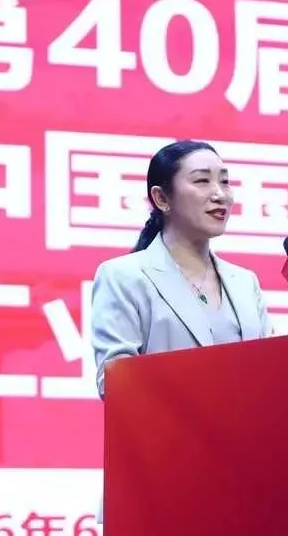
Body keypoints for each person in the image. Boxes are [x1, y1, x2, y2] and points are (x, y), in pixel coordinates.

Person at [90, 139, 273, 399]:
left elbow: (271, 372)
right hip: (163, 426)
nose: (220, 194)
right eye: (202, 181)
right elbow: (115, 384)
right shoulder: (124, 276)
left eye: (224, 181)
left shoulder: (245, 282)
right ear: (162, 198)